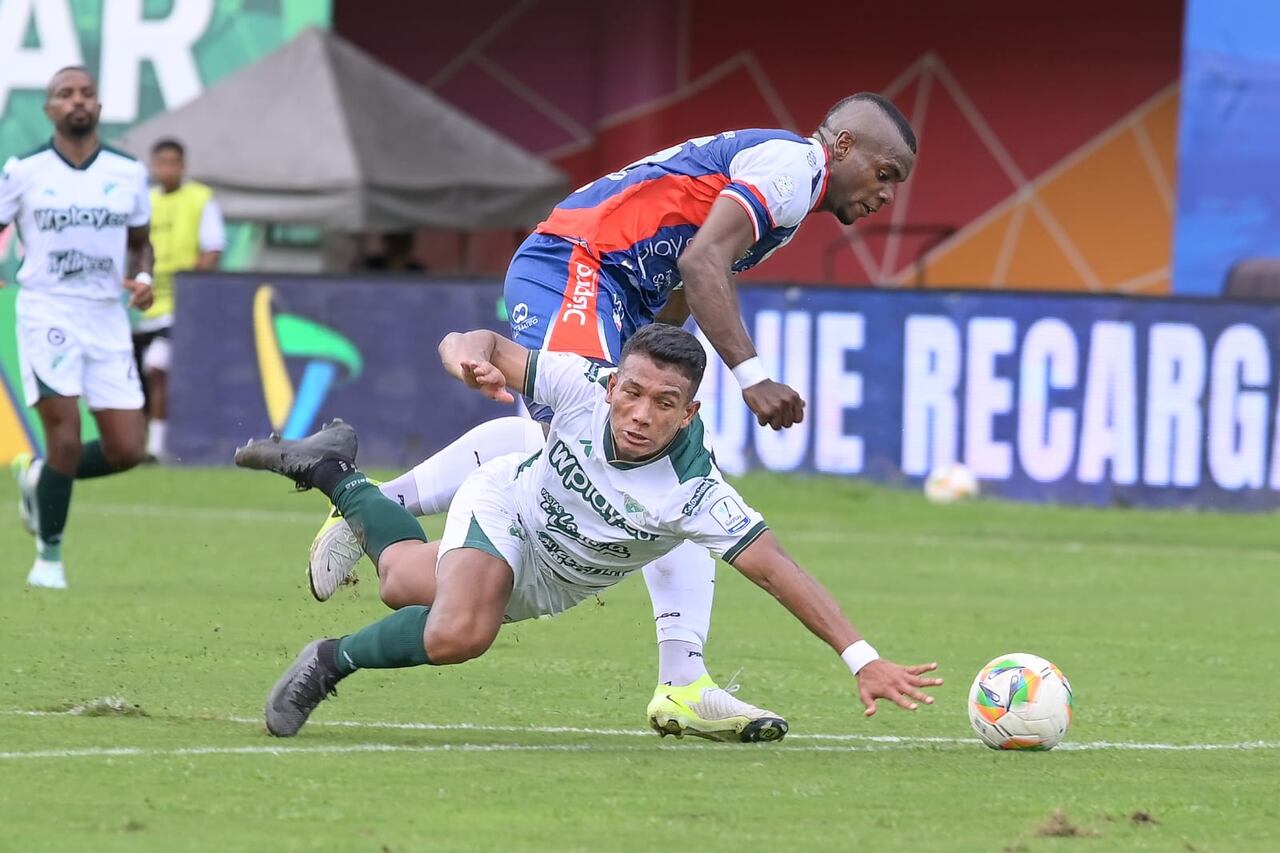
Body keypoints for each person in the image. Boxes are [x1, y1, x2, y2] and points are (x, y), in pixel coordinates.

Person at [305, 92, 918, 739]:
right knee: (597, 437)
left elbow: (683, 288)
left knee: (672, 476)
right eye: (886, 175)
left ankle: (682, 679)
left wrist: (654, 357)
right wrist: (752, 376)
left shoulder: (788, 195)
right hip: (580, 263)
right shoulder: (797, 167)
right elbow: (702, 261)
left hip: (616, 289)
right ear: (843, 147)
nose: (886, 197)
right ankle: (377, 501)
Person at [236, 324, 943, 739]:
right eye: (631, 392)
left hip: (550, 580)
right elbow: (476, 339)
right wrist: (464, 357)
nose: (639, 412)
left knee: (397, 579)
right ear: (612, 386)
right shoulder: (577, 383)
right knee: (459, 631)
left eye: (663, 403)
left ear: (688, 414)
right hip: (505, 505)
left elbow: (780, 571)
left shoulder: (696, 491)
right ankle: (328, 661)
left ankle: (334, 472)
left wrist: (863, 659)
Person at [0, 66, 154, 589]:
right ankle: (49, 557)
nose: (77, 101)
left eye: (86, 92)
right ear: (49, 109)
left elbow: (140, 240)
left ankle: (40, 479)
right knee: (63, 434)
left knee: (128, 450)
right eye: (65, 94)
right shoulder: (24, 170)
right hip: (48, 309)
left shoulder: (128, 172)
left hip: (107, 315)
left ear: (99, 106)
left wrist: (144, 275)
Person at [134, 137, 225, 462]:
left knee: (157, 367)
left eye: (174, 163)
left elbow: (212, 249)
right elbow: (132, 248)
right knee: (141, 375)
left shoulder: (200, 199)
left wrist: (189, 285)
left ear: (183, 166)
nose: (167, 169)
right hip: (146, 307)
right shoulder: (145, 201)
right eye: (161, 163)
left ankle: (155, 447)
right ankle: (141, 440)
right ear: (153, 166)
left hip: (181, 309)